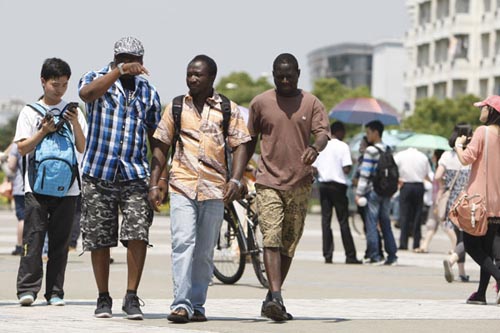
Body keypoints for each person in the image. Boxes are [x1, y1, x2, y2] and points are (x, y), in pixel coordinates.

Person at [148, 55, 251, 323]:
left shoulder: (227, 108)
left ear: (211, 78)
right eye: (189, 73)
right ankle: (180, 304)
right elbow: (161, 144)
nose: (192, 78)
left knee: (205, 252)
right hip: (181, 185)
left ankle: (197, 304)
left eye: (198, 75)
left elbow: (241, 145)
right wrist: (155, 182)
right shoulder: (176, 107)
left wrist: (236, 180)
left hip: (215, 189)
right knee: (183, 244)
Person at [239, 53, 330, 322]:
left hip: (300, 184)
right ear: (273, 74)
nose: (285, 80)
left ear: (299, 73)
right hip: (268, 181)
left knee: (289, 244)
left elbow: (323, 133)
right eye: (280, 76)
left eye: (290, 75)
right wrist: (238, 176)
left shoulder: (311, 102)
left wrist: (315, 148)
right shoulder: (260, 103)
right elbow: (249, 141)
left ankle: (271, 297)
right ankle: (277, 295)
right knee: (271, 237)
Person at [78, 36, 161, 320]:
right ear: (115, 59)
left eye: (135, 59)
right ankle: (103, 297)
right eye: (124, 58)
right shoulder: (97, 78)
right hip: (98, 172)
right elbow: (86, 94)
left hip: (135, 174)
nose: (131, 64)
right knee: (100, 238)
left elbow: (157, 139)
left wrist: (158, 179)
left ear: (143, 61)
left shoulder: (148, 92)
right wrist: (117, 72)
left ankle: (131, 296)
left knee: (138, 232)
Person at [15, 58, 86, 306]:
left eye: (65, 85)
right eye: (55, 84)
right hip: (36, 186)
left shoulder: (73, 111)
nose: (60, 90)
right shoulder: (30, 112)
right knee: (33, 240)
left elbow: (82, 145)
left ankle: (55, 292)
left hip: (68, 188)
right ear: (43, 81)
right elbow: (22, 148)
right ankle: (27, 289)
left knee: (60, 242)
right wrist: (43, 131)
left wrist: (75, 121)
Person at [454, 96, 500, 304]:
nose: (480, 110)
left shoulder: (483, 132)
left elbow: (466, 159)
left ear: (491, 111)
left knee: (472, 246)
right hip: (496, 203)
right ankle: (481, 294)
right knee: (487, 249)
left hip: (478, 201)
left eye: (483, 107)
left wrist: (458, 145)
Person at [312, 121, 360, 264]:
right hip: (338, 186)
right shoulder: (343, 146)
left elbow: (314, 169)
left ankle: (328, 254)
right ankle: (350, 255)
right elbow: (346, 169)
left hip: (324, 185)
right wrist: (351, 165)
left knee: (325, 221)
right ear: (339, 132)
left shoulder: (320, 146)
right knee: (343, 221)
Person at [354, 120, 398, 266]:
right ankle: (392, 255)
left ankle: (375, 255)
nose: (368, 136)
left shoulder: (370, 151)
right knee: (385, 222)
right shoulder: (388, 149)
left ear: (375, 132)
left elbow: (365, 174)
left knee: (372, 223)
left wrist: (359, 193)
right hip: (386, 191)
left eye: (368, 132)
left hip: (373, 191)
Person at [436, 124, 472, 283]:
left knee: (459, 237)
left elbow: (438, 176)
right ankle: (453, 261)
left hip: (451, 200)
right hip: (466, 199)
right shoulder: (469, 156)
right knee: (468, 237)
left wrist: (444, 186)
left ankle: (462, 272)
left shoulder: (446, 156)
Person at [394, 146, 431, 250]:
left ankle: (403, 243)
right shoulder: (423, 156)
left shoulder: (400, 155)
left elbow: (393, 168)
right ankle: (416, 243)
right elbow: (427, 173)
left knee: (404, 215)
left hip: (405, 185)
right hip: (419, 186)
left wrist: (398, 179)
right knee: (417, 215)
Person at [6, 143, 24, 256]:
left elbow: (11, 165)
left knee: (22, 218)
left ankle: (20, 246)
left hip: (20, 186)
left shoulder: (17, 145)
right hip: (37, 187)